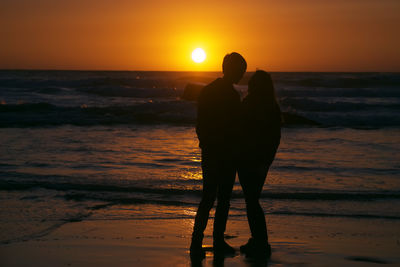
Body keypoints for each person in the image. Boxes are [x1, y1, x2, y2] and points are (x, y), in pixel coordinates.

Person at [190, 52, 247, 258]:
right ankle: (211, 240)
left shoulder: (208, 91)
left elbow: (200, 123)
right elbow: (234, 126)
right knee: (220, 198)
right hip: (223, 152)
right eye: (240, 71)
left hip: (215, 151)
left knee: (211, 197)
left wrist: (205, 143)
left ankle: (199, 241)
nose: (242, 75)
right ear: (230, 70)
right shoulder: (230, 95)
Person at [238, 70, 281, 258]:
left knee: (252, 201)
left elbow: (240, 128)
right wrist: (267, 160)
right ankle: (258, 239)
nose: (250, 85)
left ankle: (260, 241)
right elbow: (274, 139)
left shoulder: (252, 104)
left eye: (253, 83)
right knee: (252, 200)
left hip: (250, 159)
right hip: (258, 159)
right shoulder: (271, 106)